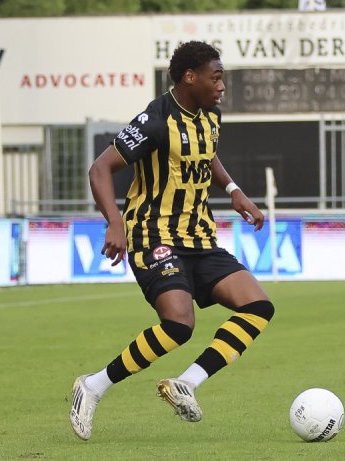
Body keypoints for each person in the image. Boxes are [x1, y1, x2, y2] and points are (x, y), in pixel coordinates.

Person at [70, 41, 275, 440]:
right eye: (216, 78)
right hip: (153, 234)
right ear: (190, 77)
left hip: (199, 236)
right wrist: (114, 222)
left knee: (258, 307)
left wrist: (233, 189)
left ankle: (187, 383)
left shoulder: (210, 116)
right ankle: (93, 386)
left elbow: (205, 153)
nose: (222, 86)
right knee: (180, 323)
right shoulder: (155, 120)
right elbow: (100, 169)